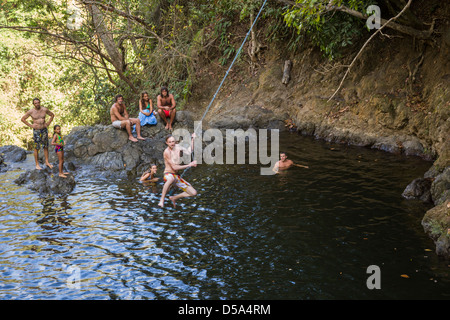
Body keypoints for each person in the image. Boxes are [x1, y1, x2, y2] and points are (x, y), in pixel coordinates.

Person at [158, 134, 197, 208]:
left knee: (193, 192)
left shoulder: (178, 147)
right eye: (170, 142)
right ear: (167, 143)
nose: (172, 143)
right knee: (171, 178)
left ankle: (174, 198)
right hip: (168, 174)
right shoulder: (167, 152)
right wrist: (189, 165)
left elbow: (189, 151)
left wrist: (193, 139)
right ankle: (161, 200)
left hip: (176, 176)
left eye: (173, 141)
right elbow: (174, 167)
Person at [21, 98, 54, 170]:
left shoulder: (44, 109)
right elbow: (23, 119)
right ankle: (37, 164)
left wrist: (48, 123)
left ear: (40, 102)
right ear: (33, 104)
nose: (37, 104)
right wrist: (31, 126)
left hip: (44, 130)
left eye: (38, 102)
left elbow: (52, 115)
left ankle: (47, 162)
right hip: (36, 131)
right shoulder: (31, 111)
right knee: (37, 147)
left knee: (45, 146)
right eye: (35, 103)